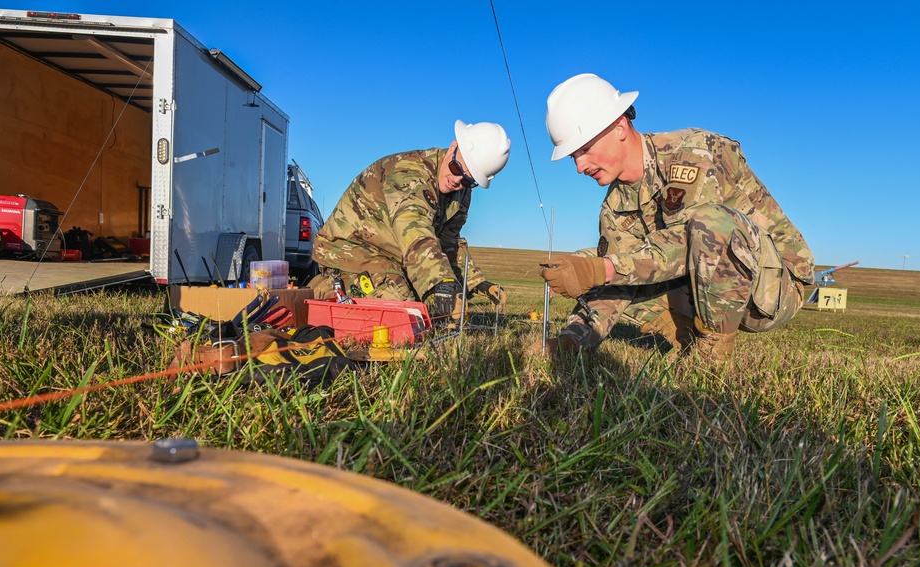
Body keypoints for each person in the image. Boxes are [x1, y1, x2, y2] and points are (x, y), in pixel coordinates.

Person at [538, 74, 815, 360]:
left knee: (708, 224)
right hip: (699, 285)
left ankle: (710, 358)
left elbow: (693, 241)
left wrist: (603, 269)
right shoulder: (614, 207)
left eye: (584, 149)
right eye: (573, 156)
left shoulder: (693, 152)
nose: (580, 166)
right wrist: (571, 340)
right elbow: (617, 277)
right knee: (594, 260)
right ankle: (680, 329)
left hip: (772, 288)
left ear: (620, 127)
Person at [309, 120, 511, 324]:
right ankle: (325, 289)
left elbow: (449, 242)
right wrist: (442, 282)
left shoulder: (461, 193)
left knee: (420, 312)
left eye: (469, 180)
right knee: (403, 313)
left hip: (392, 256)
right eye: (456, 168)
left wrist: (476, 282)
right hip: (349, 248)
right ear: (453, 147)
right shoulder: (410, 171)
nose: (457, 181)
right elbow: (413, 228)